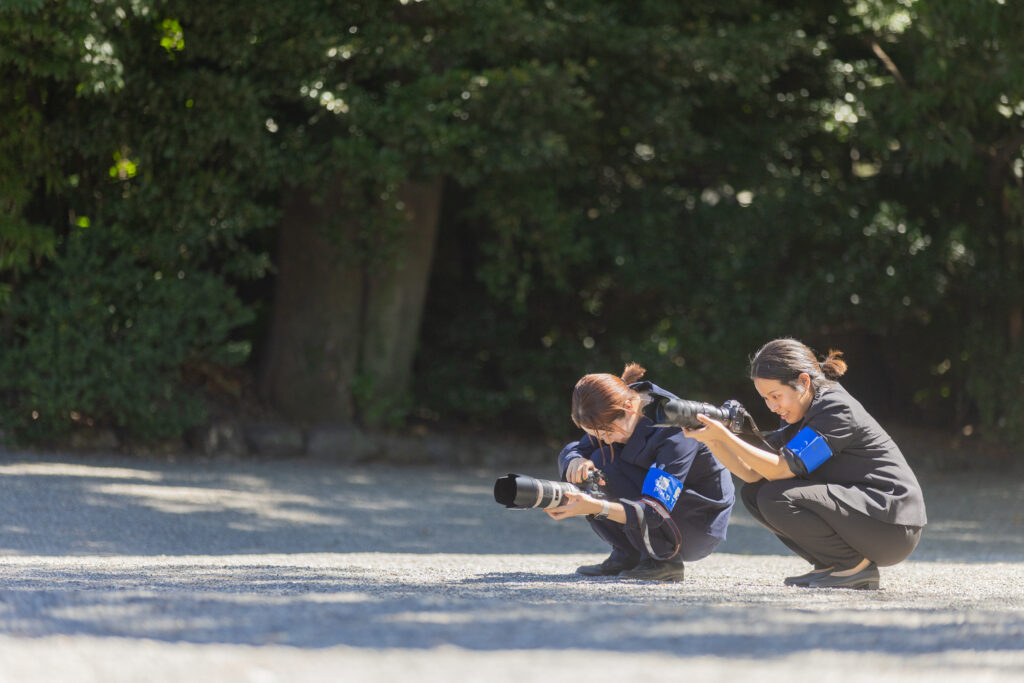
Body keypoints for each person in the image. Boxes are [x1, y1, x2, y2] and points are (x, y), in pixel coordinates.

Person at [683, 338, 927, 590]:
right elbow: (753, 474)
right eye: (766, 398)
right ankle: (831, 565)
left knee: (776, 497)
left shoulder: (835, 409)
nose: (772, 406)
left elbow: (781, 468)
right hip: (868, 517)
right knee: (755, 494)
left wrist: (725, 436)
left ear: (803, 382)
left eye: (776, 396)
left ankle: (853, 568)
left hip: (892, 525)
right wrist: (711, 440)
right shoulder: (799, 413)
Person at [546, 362, 736, 582]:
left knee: (603, 461)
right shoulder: (617, 406)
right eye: (596, 435)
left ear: (628, 408)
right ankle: (628, 553)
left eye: (607, 432)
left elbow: (656, 510)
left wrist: (596, 506)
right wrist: (575, 460)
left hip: (694, 521)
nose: (603, 439)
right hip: (656, 504)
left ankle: (663, 560)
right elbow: (578, 448)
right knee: (595, 461)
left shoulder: (675, 428)